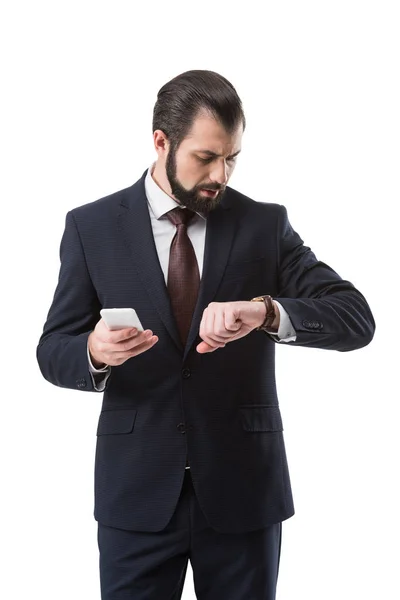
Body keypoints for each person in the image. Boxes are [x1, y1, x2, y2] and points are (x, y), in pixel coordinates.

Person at [36, 69, 376, 600]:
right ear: (161, 142)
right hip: (137, 494)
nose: (221, 173)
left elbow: (355, 318)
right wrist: (93, 351)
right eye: (206, 157)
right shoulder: (91, 227)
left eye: (232, 157)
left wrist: (265, 312)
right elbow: (52, 350)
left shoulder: (263, 224)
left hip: (244, 492)